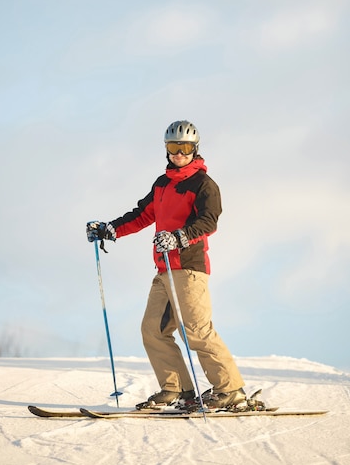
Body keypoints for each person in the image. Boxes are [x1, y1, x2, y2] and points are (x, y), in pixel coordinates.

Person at [86, 120, 246, 410]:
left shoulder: (204, 185)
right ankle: (178, 389)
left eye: (184, 147)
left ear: (194, 149)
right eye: (173, 147)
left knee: (197, 330)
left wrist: (179, 237)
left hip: (189, 267)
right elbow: (142, 215)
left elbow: (209, 221)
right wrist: (110, 229)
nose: (178, 153)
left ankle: (231, 390)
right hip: (164, 269)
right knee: (153, 330)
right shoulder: (162, 184)